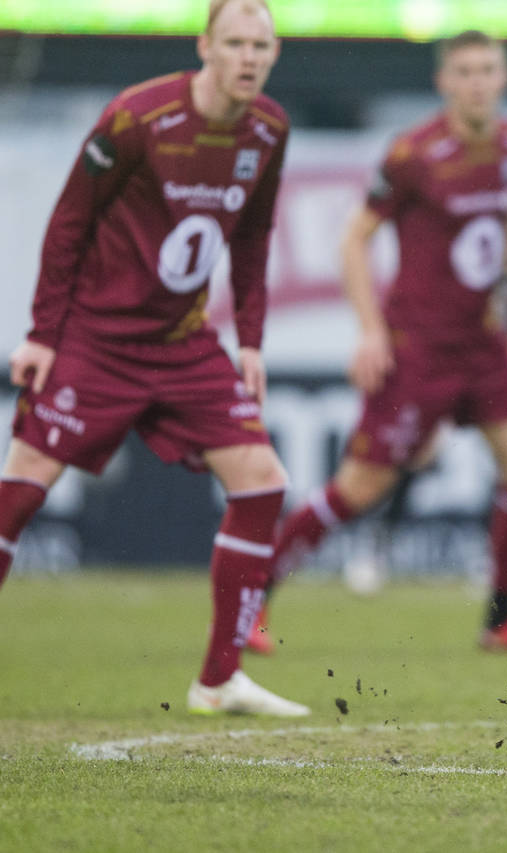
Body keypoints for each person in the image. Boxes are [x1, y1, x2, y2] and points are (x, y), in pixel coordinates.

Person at [0, 0, 307, 716]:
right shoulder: (136, 117)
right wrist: (44, 332)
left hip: (183, 341)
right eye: (234, 43)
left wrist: (252, 341)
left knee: (262, 481)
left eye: (261, 45)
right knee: (21, 490)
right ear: (204, 46)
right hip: (94, 340)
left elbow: (254, 238)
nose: (248, 57)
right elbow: (69, 221)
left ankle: (219, 679)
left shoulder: (269, 129)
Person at [261, 30, 507, 651]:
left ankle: (499, 618)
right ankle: (250, 600)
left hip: (482, 345)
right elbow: (352, 240)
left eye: (487, 69)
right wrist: (369, 331)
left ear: (503, 78)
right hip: (418, 349)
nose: (476, 81)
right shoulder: (413, 154)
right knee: (360, 490)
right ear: (444, 82)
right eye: (464, 71)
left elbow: (506, 218)